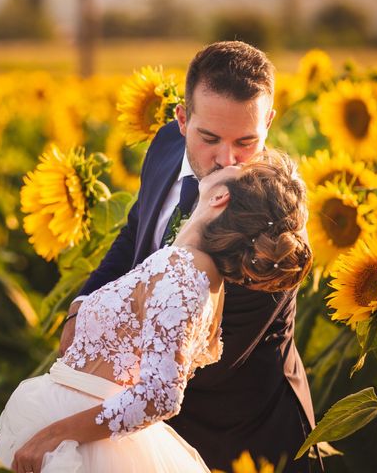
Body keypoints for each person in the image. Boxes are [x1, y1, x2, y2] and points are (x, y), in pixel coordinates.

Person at [59, 41, 322, 472]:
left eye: (246, 141)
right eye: (209, 138)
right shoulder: (164, 146)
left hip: (242, 437)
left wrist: (93, 355)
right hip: (139, 427)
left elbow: (208, 362)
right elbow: (134, 235)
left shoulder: (275, 220)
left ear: (269, 123)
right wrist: (80, 306)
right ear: (182, 119)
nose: (227, 159)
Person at [0, 149, 313, 473]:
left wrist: (55, 435)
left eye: (238, 170)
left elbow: (161, 396)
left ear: (219, 198)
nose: (230, 160)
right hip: (82, 424)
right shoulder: (194, 270)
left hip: (83, 446)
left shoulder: (184, 273)